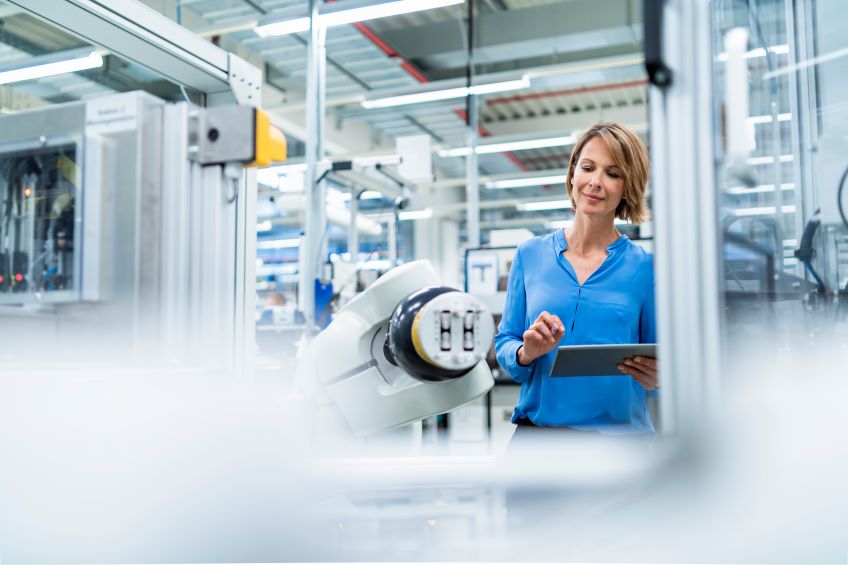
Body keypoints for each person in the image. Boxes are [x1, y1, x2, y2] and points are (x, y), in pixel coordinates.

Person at [494, 122, 658, 436]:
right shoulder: (530, 255)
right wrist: (525, 352)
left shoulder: (646, 268)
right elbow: (506, 341)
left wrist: (661, 379)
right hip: (539, 438)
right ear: (572, 175)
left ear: (628, 187)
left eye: (613, 173)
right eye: (587, 168)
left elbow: (664, 361)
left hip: (619, 443)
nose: (595, 182)